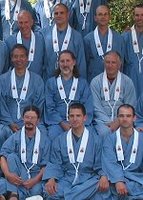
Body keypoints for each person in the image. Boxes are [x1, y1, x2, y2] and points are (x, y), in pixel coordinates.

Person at [43, 103, 112, 200]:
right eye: (72, 116)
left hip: (87, 179)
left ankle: (68, 197)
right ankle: (79, 195)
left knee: (100, 185)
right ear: (68, 118)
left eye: (78, 116)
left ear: (85, 118)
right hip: (67, 178)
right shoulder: (59, 140)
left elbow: (101, 164)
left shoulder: (96, 140)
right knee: (48, 191)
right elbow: (55, 163)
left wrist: (104, 176)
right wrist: (51, 179)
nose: (75, 119)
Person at [0, 105, 50, 200]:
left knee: (42, 190)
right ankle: (14, 194)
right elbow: (2, 156)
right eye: (27, 117)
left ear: (38, 120)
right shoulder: (15, 137)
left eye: (33, 118)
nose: (29, 120)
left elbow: (45, 166)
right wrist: (7, 174)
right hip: (17, 177)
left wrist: (34, 181)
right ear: (23, 118)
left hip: (35, 178)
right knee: (11, 157)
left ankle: (12, 194)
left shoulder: (45, 140)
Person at [0, 44, 45, 146]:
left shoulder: (37, 80)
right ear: (11, 58)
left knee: (42, 134)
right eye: (15, 56)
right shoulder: (2, 80)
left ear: (27, 58)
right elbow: (1, 105)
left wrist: (27, 122)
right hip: (7, 123)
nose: (19, 59)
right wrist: (10, 123)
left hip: (31, 121)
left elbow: (38, 104)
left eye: (22, 56)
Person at [44, 50, 93, 141]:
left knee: (89, 136)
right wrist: (62, 123)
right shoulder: (51, 83)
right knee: (52, 135)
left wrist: (77, 123)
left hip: (79, 122)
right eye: (62, 61)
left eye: (68, 61)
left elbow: (87, 106)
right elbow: (49, 107)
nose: (65, 64)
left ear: (74, 62)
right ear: (58, 63)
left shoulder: (82, 83)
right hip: (58, 123)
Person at [90, 51, 136, 137]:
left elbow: (130, 105)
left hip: (123, 118)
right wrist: (108, 122)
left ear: (119, 65)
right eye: (107, 62)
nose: (110, 65)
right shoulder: (95, 82)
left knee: (127, 132)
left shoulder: (127, 82)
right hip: (102, 121)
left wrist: (118, 121)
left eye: (113, 62)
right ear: (104, 63)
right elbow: (96, 106)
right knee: (104, 132)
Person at [102, 104, 143, 199]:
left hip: (137, 178)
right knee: (102, 187)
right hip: (115, 178)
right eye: (121, 116)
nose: (125, 119)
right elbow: (109, 162)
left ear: (134, 118)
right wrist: (118, 181)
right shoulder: (110, 139)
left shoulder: (141, 138)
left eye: (128, 116)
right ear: (117, 118)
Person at [42, 3, 86, 80]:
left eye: (62, 13)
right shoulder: (44, 34)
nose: (59, 15)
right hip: (49, 80)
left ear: (68, 15)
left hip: (71, 83)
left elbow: (81, 63)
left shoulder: (77, 36)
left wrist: (82, 83)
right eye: (56, 13)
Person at [84, 5, 124, 82]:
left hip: (114, 81)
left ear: (109, 17)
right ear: (95, 18)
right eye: (100, 14)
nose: (103, 17)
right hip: (93, 81)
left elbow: (121, 64)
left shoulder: (119, 39)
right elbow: (85, 64)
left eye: (106, 14)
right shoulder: (87, 39)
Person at [5, 10, 45, 76]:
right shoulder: (9, 41)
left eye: (26, 22)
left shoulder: (41, 39)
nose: (23, 26)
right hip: (16, 83)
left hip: (36, 83)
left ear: (32, 22)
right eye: (21, 23)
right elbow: (7, 66)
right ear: (17, 23)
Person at [122, 3, 143, 99]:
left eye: (142, 15)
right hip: (130, 78)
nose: (140, 18)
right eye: (137, 15)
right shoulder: (125, 36)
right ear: (133, 16)